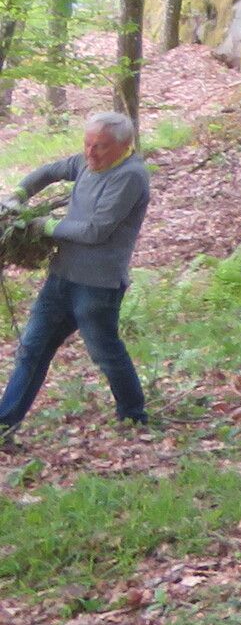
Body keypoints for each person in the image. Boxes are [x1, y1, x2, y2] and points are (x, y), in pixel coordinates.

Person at [0, 110, 152, 439]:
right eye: (87, 144)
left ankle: (133, 415)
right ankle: (4, 426)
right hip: (61, 277)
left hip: (97, 285)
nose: (90, 153)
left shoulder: (129, 176)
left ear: (123, 145)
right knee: (31, 350)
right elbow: (49, 171)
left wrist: (42, 225)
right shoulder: (86, 162)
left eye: (100, 146)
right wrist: (18, 195)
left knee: (105, 353)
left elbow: (95, 230)